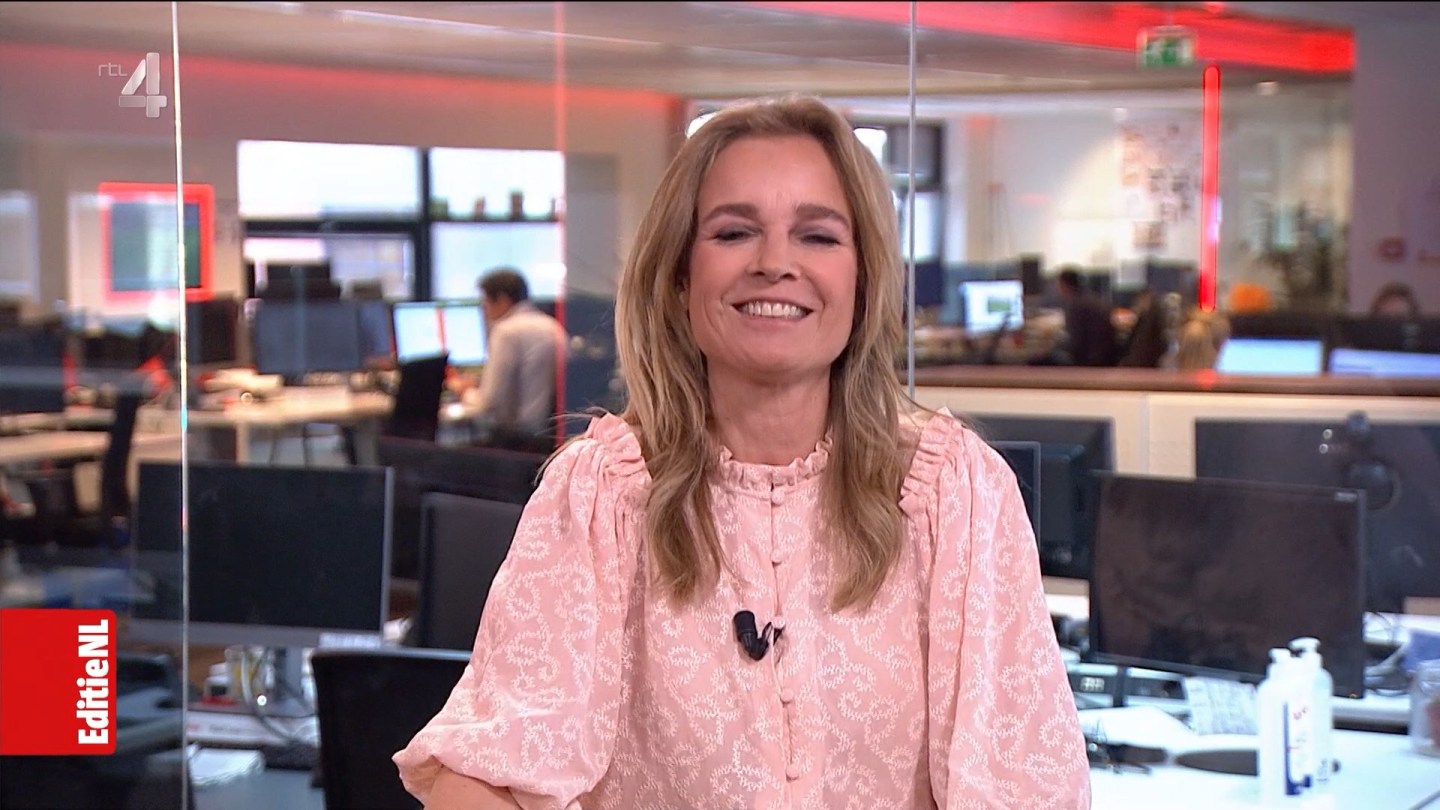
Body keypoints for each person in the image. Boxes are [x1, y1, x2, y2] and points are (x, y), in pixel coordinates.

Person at [394, 95, 1090, 809]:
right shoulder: (603, 493)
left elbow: (1027, 787)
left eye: (818, 236)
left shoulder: (955, 492)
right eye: (734, 232)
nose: (775, 264)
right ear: (680, 277)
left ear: (864, 280)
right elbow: (483, 768)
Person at [467, 267, 567, 452]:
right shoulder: (552, 326)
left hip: (516, 441)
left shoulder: (506, 331)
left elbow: (490, 402)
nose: (484, 311)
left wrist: (467, 394)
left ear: (502, 300)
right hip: (550, 439)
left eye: (485, 303)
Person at [1056, 267, 1120, 366]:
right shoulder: (1093, 299)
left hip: (1087, 360)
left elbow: (1075, 343)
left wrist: (1056, 343)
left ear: (1064, 285)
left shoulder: (1076, 305)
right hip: (1105, 357)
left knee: (1039, 360)